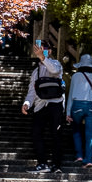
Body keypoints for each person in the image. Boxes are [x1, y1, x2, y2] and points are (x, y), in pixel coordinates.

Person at [21, 40, 65, 173]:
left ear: (50, 51)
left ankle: (57, 165)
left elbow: (55, 70)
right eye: (39, 48)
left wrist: (43, 58)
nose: (42, 50)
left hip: (55, 104)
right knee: (36, 133)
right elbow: (32, 91)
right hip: (40, 106)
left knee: (56, 134)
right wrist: (27, 103)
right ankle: (42, 163)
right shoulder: (36, 71)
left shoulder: (56, 64)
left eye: (45, 49)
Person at [65, 54, 92, 167]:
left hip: (77, 105)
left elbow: (71, 95)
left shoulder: (75, 76)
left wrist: (68, 112)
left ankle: (79, 155)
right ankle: (89, 160)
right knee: (90, 134)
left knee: (76, 129)